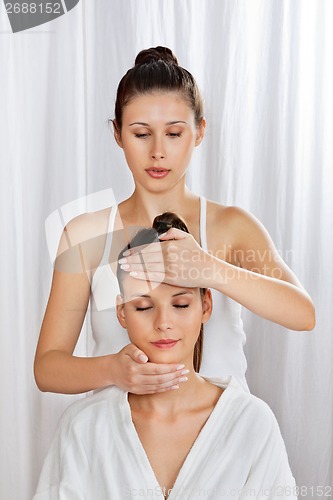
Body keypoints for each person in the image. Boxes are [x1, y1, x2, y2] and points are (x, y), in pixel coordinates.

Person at [34, 46, 315, 395]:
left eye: (174, 133)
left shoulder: (231, 226)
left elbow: (303, 314)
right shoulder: (84, 234)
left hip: (223, 437)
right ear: (118, 134)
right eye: (141, 133)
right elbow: (47, 367)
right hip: (119, 440)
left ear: (199, 132)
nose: (158, 151)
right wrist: (113, 370)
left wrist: (208, 268)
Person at [33, 214, 297, 500]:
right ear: (122, 313)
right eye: (144, 307)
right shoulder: (84, 427)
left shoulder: (251, 423)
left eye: (181, 304)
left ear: (205, 305)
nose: (163, 323)